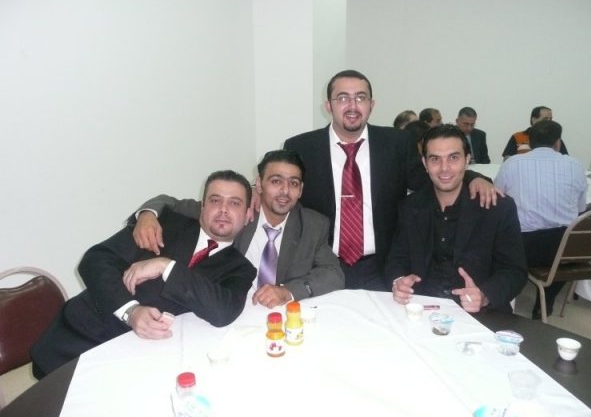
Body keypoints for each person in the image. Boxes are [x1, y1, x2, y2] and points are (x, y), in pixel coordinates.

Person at [284, 70, 498, 291]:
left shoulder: (396, 143)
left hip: (382, 269)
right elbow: (282, 194)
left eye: (360, 97)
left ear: (371, 104)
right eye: (343, 98)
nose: (352, 106)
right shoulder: (302, 147)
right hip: (321, 267)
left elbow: (432, 177)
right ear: (329, 105)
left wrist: (473, 177)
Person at [31, 170, 257, 378]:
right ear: (202, 207)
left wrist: (165, 266)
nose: (223, 209)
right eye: (215, 200)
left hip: (140, 365)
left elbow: (223, 312)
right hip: (80, 342)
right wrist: (131, 312)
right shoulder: (164, 224)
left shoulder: (240, 269)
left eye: (234, 203)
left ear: (247, 214)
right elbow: (95, 260)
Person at [132, 150, 344, 308]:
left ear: (301, 190)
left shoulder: (313, 225)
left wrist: (287, 291)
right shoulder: (235, 210)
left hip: (279, 316)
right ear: (259, 184)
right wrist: (148, 214)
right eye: (276, 181)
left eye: (294, 183)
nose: (285, 191)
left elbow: (334, 274)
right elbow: (169, 202)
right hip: (224, 306)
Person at [386, 125, 527, 313]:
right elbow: (397, 258)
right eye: (435, 159)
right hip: (420, 309)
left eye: (453, 158)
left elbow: (514, 271)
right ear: (425, 163)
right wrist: (398, 281)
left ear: (467, 160)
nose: (444, 168)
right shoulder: (409, 207)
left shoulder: (497, 207)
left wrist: (484, 295)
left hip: (480, 314)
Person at [495, 120, 587, 319]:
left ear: (529, 142)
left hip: (523, 247)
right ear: (558, 143)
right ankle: (546, 301)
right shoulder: (575, 165)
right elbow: (581, 210)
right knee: (562, 254)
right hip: (565, 249)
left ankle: (509, 296)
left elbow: (496, 200)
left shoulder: (512, 164)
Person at [502, 106, 568, 159]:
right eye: (545, 119)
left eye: (550, 119)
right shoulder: (518, 137)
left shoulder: (555, 138)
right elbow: (507, 160)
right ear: (533, 120)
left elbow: (565, 158)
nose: (549, 122)